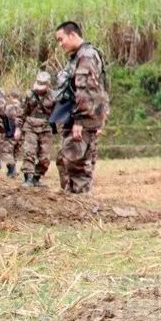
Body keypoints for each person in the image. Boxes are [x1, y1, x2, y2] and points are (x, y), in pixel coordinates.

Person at [53, 21, 110, 194]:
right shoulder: (81, 55)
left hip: (81, 119)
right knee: (69, 162)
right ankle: (73, 203)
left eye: (61, 39)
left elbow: (87, 91)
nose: (60, 44)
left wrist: (80, 120)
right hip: (80, 117)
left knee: (77, 164)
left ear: (72, 35)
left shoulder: (86, 56)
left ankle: (79, 207)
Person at [16, 71, 55, 186]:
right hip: (30, 127)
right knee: (29, 152)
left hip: (45, 128)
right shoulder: (29, 95)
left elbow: (57, 113)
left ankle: (37, 177)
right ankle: (28, 177)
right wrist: (18, 129)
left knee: (45, 157)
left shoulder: (53, 96)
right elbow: (21, 112)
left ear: (48, 85)